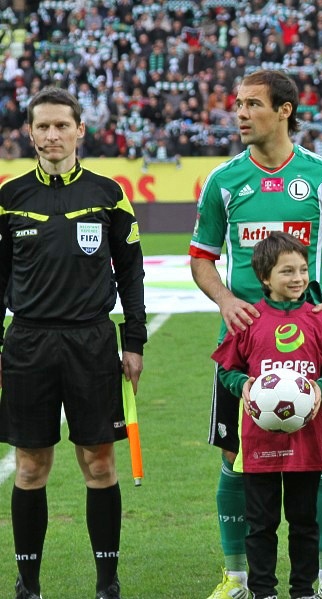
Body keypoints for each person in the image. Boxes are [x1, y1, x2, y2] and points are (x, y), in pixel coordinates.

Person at [189, 69, 322, 599]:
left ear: (285, 110)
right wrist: (226, 300)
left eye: (252, 105)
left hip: (309, 346)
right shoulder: (224, 182)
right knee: (234, 457)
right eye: (237, 105)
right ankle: (237, 576)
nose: (240, 114)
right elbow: (201, 259)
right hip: (245, 350)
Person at [0, 87, 146, 599]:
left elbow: (131, 274)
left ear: (80, 130)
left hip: (91, 342)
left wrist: (134, 342)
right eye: (43, 126)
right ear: (30, 132)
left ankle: (107, 584)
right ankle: (29, 585)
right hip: (29, 345)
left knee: (99, 463)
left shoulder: (109, 193)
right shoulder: (9, 198)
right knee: (31, 466)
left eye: (62, 125)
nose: (52, 135)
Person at [211, 232, 322, 599]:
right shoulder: (248, 319)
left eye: (303, 269)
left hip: (306, 442)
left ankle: (302, 590)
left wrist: (319, 389)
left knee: (304, 521)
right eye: (287, 271)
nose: (298, 278)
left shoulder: (319, 320)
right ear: (265, 277)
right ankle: (263, 591)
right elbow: (227, 370)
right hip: (259, 441)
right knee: (261, 522)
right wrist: (242, 383)